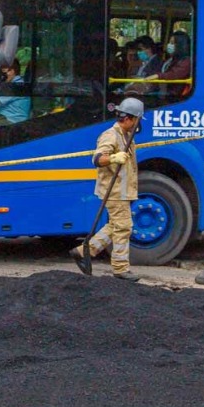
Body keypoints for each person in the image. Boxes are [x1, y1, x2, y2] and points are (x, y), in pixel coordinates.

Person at [69, 97, 143, 282]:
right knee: (124, 227)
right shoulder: (111, 135)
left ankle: (83, 251)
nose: (138, 124)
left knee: (115, 225)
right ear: (129, 119)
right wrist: (112, 158)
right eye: (137, 120)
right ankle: (120, 268)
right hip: (115, 191)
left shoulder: (127, 135)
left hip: (122, 190)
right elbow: (97, 159)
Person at [0, 58, 31, 125]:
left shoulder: (14, 86)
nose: (3, 75)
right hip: (7, 117)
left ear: (12, 71)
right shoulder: (18, 82)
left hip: (13, 122)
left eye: (4, 72)